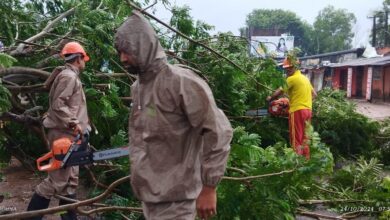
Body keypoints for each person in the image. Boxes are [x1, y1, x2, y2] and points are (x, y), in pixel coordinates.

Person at [114, 11, 233, 220]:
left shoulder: (181, 82)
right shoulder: (138, 88)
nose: (123, 58)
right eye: (120, 52)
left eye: (127, 51)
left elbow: (218, 131)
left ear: (144, 46)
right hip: (150, 197)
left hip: (178, 199)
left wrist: (209, 187)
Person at [26, 42, 91, 220]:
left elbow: (71, 105)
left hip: (71, 135)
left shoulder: (70, 75)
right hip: (64, 133)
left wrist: (84, 127)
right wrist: (74, 123)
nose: (85, 62)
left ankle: (68, 218)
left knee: (70, 181)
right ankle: (32, 217)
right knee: (57, 180)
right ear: (78, 58)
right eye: (83, 58)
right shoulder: (69, 77)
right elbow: (58, 104)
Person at [267, 57, 316, 159]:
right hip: (308, 110)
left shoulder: (291, 79)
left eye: (289, 68)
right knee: (305, 138)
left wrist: (270, 99)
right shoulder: (305, 78)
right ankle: (306, 160)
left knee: (296, 138)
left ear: (295, 67)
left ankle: (296, 163)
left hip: (297, 111)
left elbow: (279, 92)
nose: (287, 70)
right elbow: (314, 95)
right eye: (286, 68)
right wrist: (300, 101)